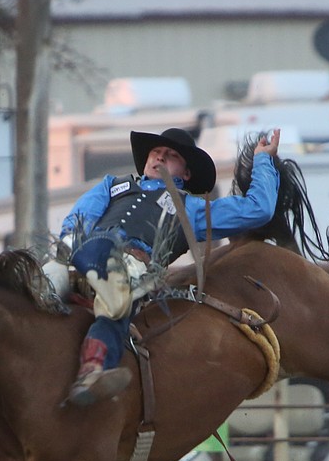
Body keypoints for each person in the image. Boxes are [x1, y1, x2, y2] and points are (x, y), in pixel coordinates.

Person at [53, 127, 283, 406]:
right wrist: (76, 251)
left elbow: (258, 209)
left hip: (133, 268)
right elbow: (78, 220)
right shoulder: (112, 185)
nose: (159, 158)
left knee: (115, 309)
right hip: (83, 255)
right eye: (156, 152)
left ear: (185, 174)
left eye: (171, 155)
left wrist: (261, 159)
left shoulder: (193, 209)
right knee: (41, 282)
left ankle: (92, 370)